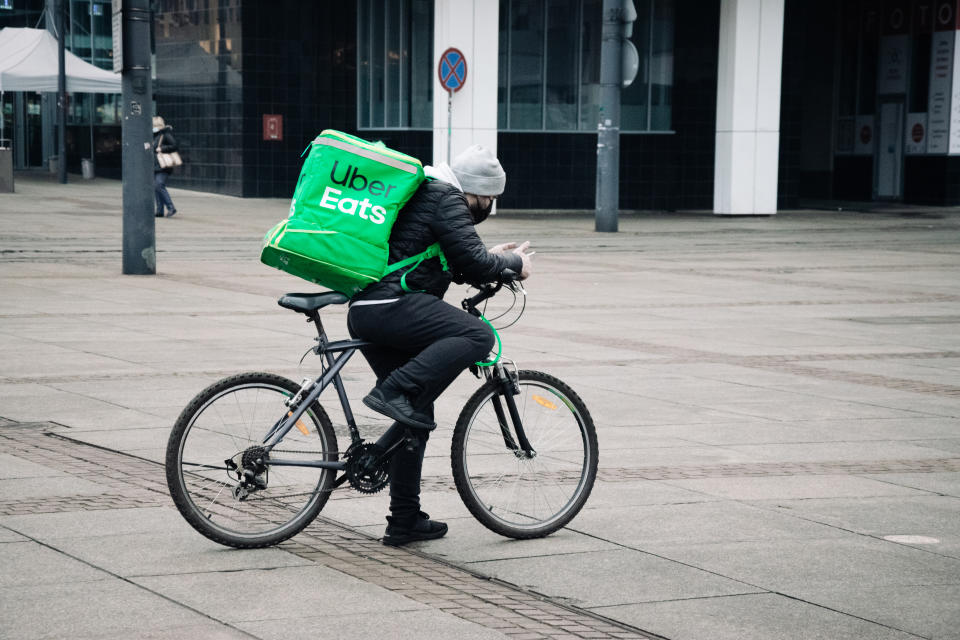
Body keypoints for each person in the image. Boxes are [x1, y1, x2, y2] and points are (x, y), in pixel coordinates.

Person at [347, 144, 534, 547]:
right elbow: (473, 261)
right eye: (490, 200)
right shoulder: (445, 196)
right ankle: (394, 390)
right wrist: (515, 265)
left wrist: (493, 256)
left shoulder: (432, 193)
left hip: (374, 307)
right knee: (478, 335)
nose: (489, 208)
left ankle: (405, 521)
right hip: (390, 305)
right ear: (478, 192)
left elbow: (459, 260)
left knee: (415, 413)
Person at [153, 116, 178, 218]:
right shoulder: (154, 135)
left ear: (157, 125)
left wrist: (162, 148)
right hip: (155, 165)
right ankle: (159, 210)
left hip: (163, 166)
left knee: (159, 185)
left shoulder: (165, 134)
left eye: (153, 125)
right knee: (156, 187)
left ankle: (171, 207)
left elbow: (174, 145)